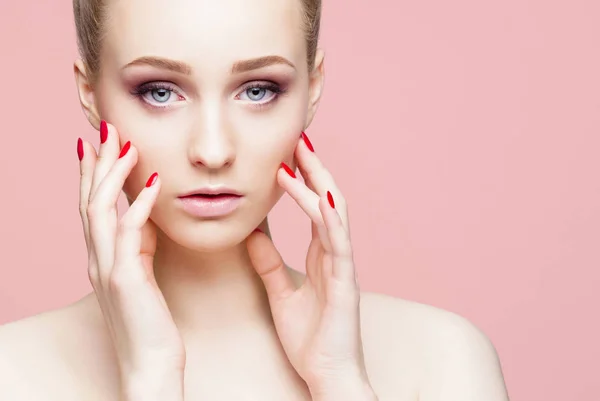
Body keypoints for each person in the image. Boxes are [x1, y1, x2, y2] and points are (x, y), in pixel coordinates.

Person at [0, 0, 509, 400]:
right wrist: (149, 382)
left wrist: (341, 384)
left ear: (313, 87)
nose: (213, 150)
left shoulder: (443, 361)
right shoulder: (13, 375)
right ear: (90, 92)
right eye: (159, 91)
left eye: (258, 90)